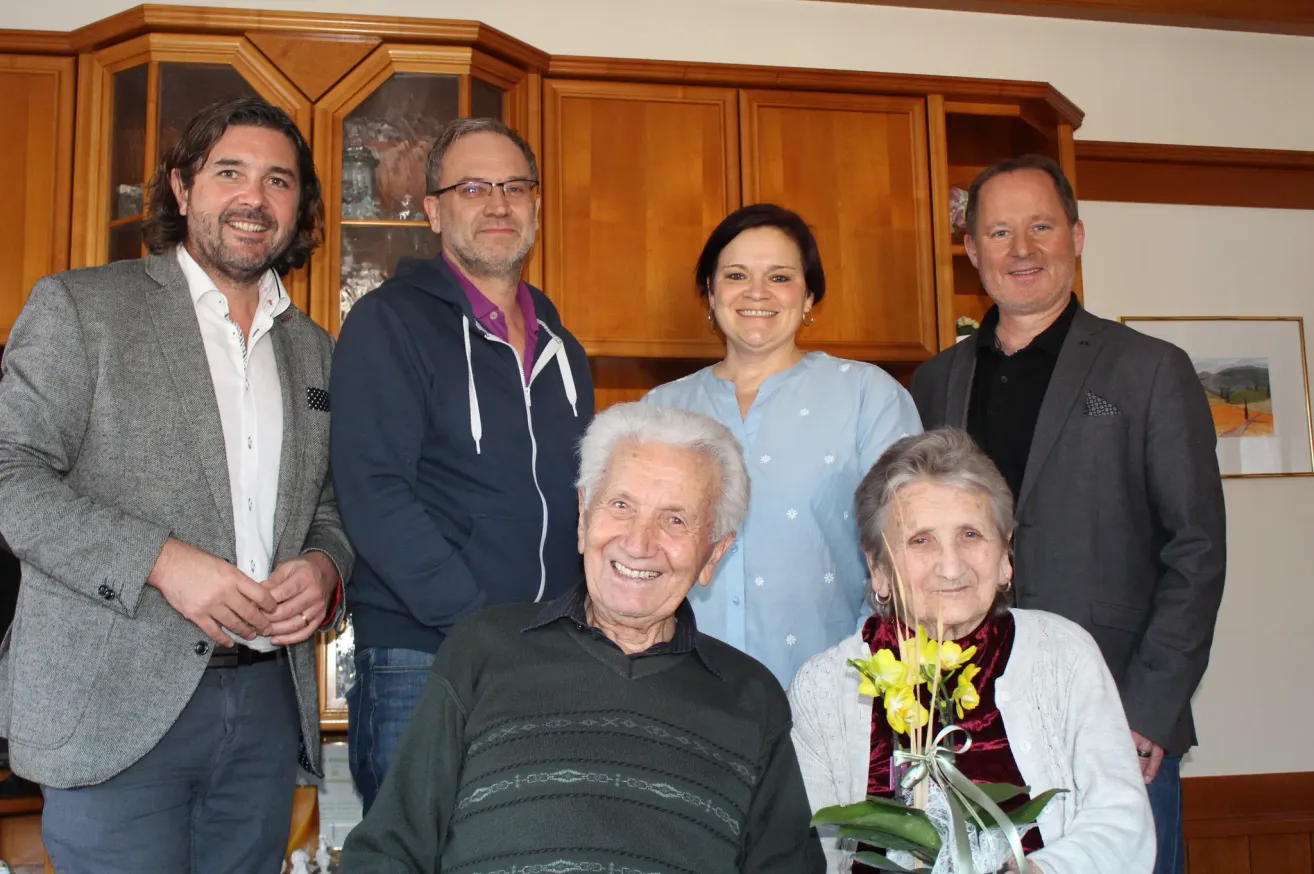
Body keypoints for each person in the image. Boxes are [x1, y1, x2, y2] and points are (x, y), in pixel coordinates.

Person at [0, 96, 353, 874]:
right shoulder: (80, 307)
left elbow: (329, 506)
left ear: (299, 207)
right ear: (182, 187)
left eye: (278, 181)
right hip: (109, 705)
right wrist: (161, 561)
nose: (254, 198)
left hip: (265, 710)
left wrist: (325, 567)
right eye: (230, 172)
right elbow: (10, 475)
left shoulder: (318, 353)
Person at [908, 155, 1225, 874]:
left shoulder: (1150, 369)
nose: (1022, 249)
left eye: (1041, 227)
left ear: (1077, 237)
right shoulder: (934, 381)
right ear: (972, 250)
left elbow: (1197, 551)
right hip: (962, 724)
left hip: (1116, 721)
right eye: (999, 232)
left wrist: (1148, 710)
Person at [339, 403, 824, 873]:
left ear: (714, 553)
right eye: (621, 505)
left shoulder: (751, 698)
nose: (638, 542)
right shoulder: (482, 649)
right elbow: (388, 851)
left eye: (675, 519)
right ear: (583, 516)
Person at [330, 117, 593, 812]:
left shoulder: (563, 346)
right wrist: (481, 629)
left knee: (535, 850)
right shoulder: (388, 323)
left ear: (536, 204)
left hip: (544, 658)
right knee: (426, 853)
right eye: (473, 188)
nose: (498, 204)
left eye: (514, 187)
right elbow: (375, 496)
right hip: (425, 660)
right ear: (434, 211)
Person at [789, 429, 1154, 874]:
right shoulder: (827, 686)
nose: (951, 566)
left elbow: (1121, 822)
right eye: (920, 540)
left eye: (971, 534)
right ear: (878, 567)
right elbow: (811, 856)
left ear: (1004, 555)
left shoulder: (1064, 654)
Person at [644, 203, 921, 688]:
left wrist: (866, 672)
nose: (757, 292)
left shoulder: (868, 396)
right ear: (710, 291)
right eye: (736, 275)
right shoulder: (659, 410)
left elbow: (911, 546)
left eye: (779, 277)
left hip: (832, 687)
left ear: (809, 296)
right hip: (680, 688)